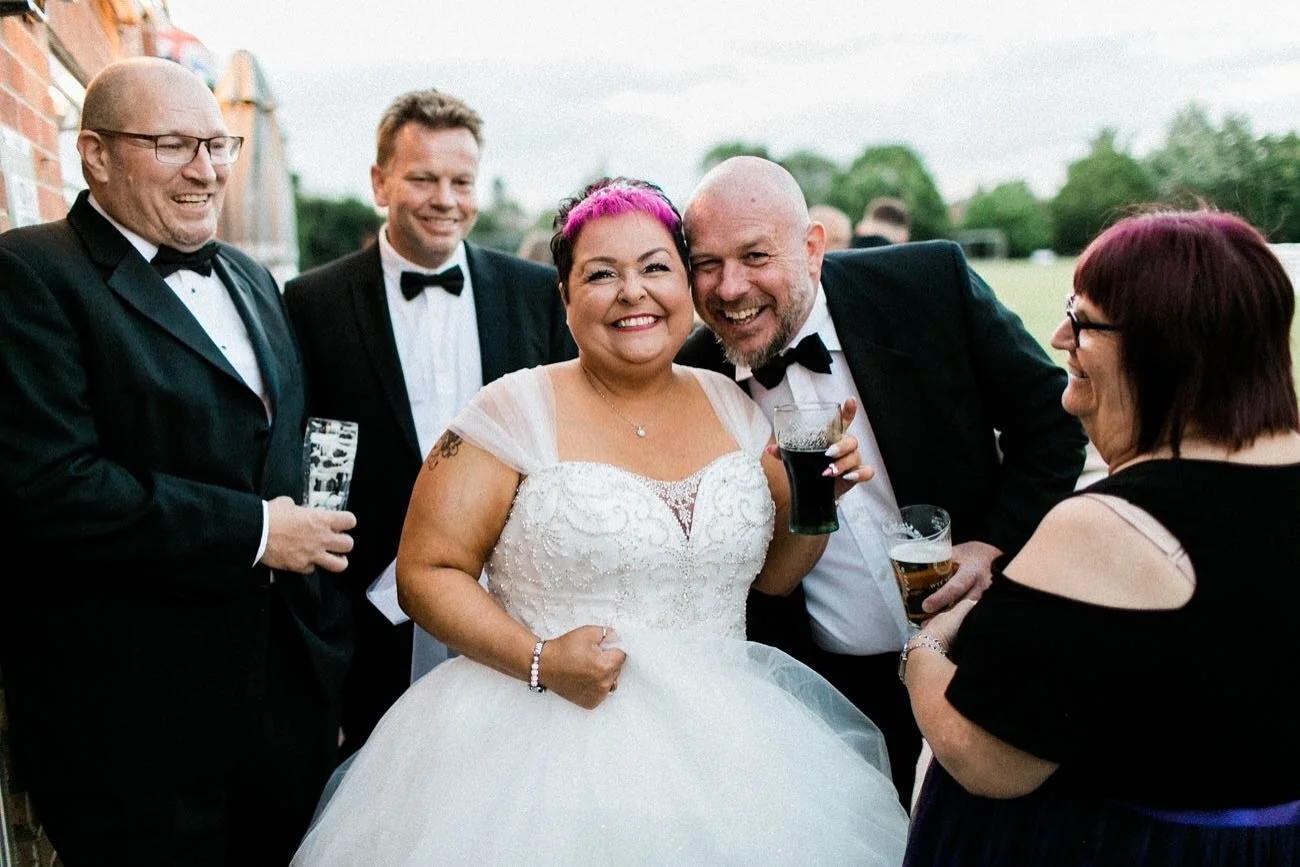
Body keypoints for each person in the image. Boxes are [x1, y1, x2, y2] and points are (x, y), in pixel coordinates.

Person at [290, 178, 910, 864]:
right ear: (564, 296)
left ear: (686, 286)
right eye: (602, 274)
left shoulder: (736, 406)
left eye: (655, 267)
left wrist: (816, 504)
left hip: (729, 752)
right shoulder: (508, 413)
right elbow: (426, 572)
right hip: (538, 759)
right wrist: (539, 659)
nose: (632, 292)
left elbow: (773, 580)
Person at [0, 58, 355, 866]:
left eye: (217, 144)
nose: (205, 170)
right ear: (94, 154)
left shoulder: (252, 276)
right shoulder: (29, 273)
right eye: (171, 145)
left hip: (281, 721)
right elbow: (50, 489)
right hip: (132, 734)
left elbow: (279, 458)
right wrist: (256, 532)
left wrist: (319, 674)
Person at [677, 156, 1086, 804]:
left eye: (755, 256)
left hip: (983, 644)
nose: (730, 287)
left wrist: (992, 543)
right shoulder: (693, 376)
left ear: (812, 248)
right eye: (706, 263)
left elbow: (1053, 424)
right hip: (827, 691)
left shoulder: (927, 283)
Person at [901, 209, 1300, 865]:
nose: (1059, 336)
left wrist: (925, 648)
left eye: (1083, 321)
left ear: (1166, 348)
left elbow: (987, 758)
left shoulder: (1108, 525)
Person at [283, 88, 576, 758]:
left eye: (461, 182)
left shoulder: (535, 293)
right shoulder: (311, 302)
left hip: (515, 607)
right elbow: (305, 459)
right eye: (423, 179)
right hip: (370, 619)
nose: (445, 199)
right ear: (380, 182)